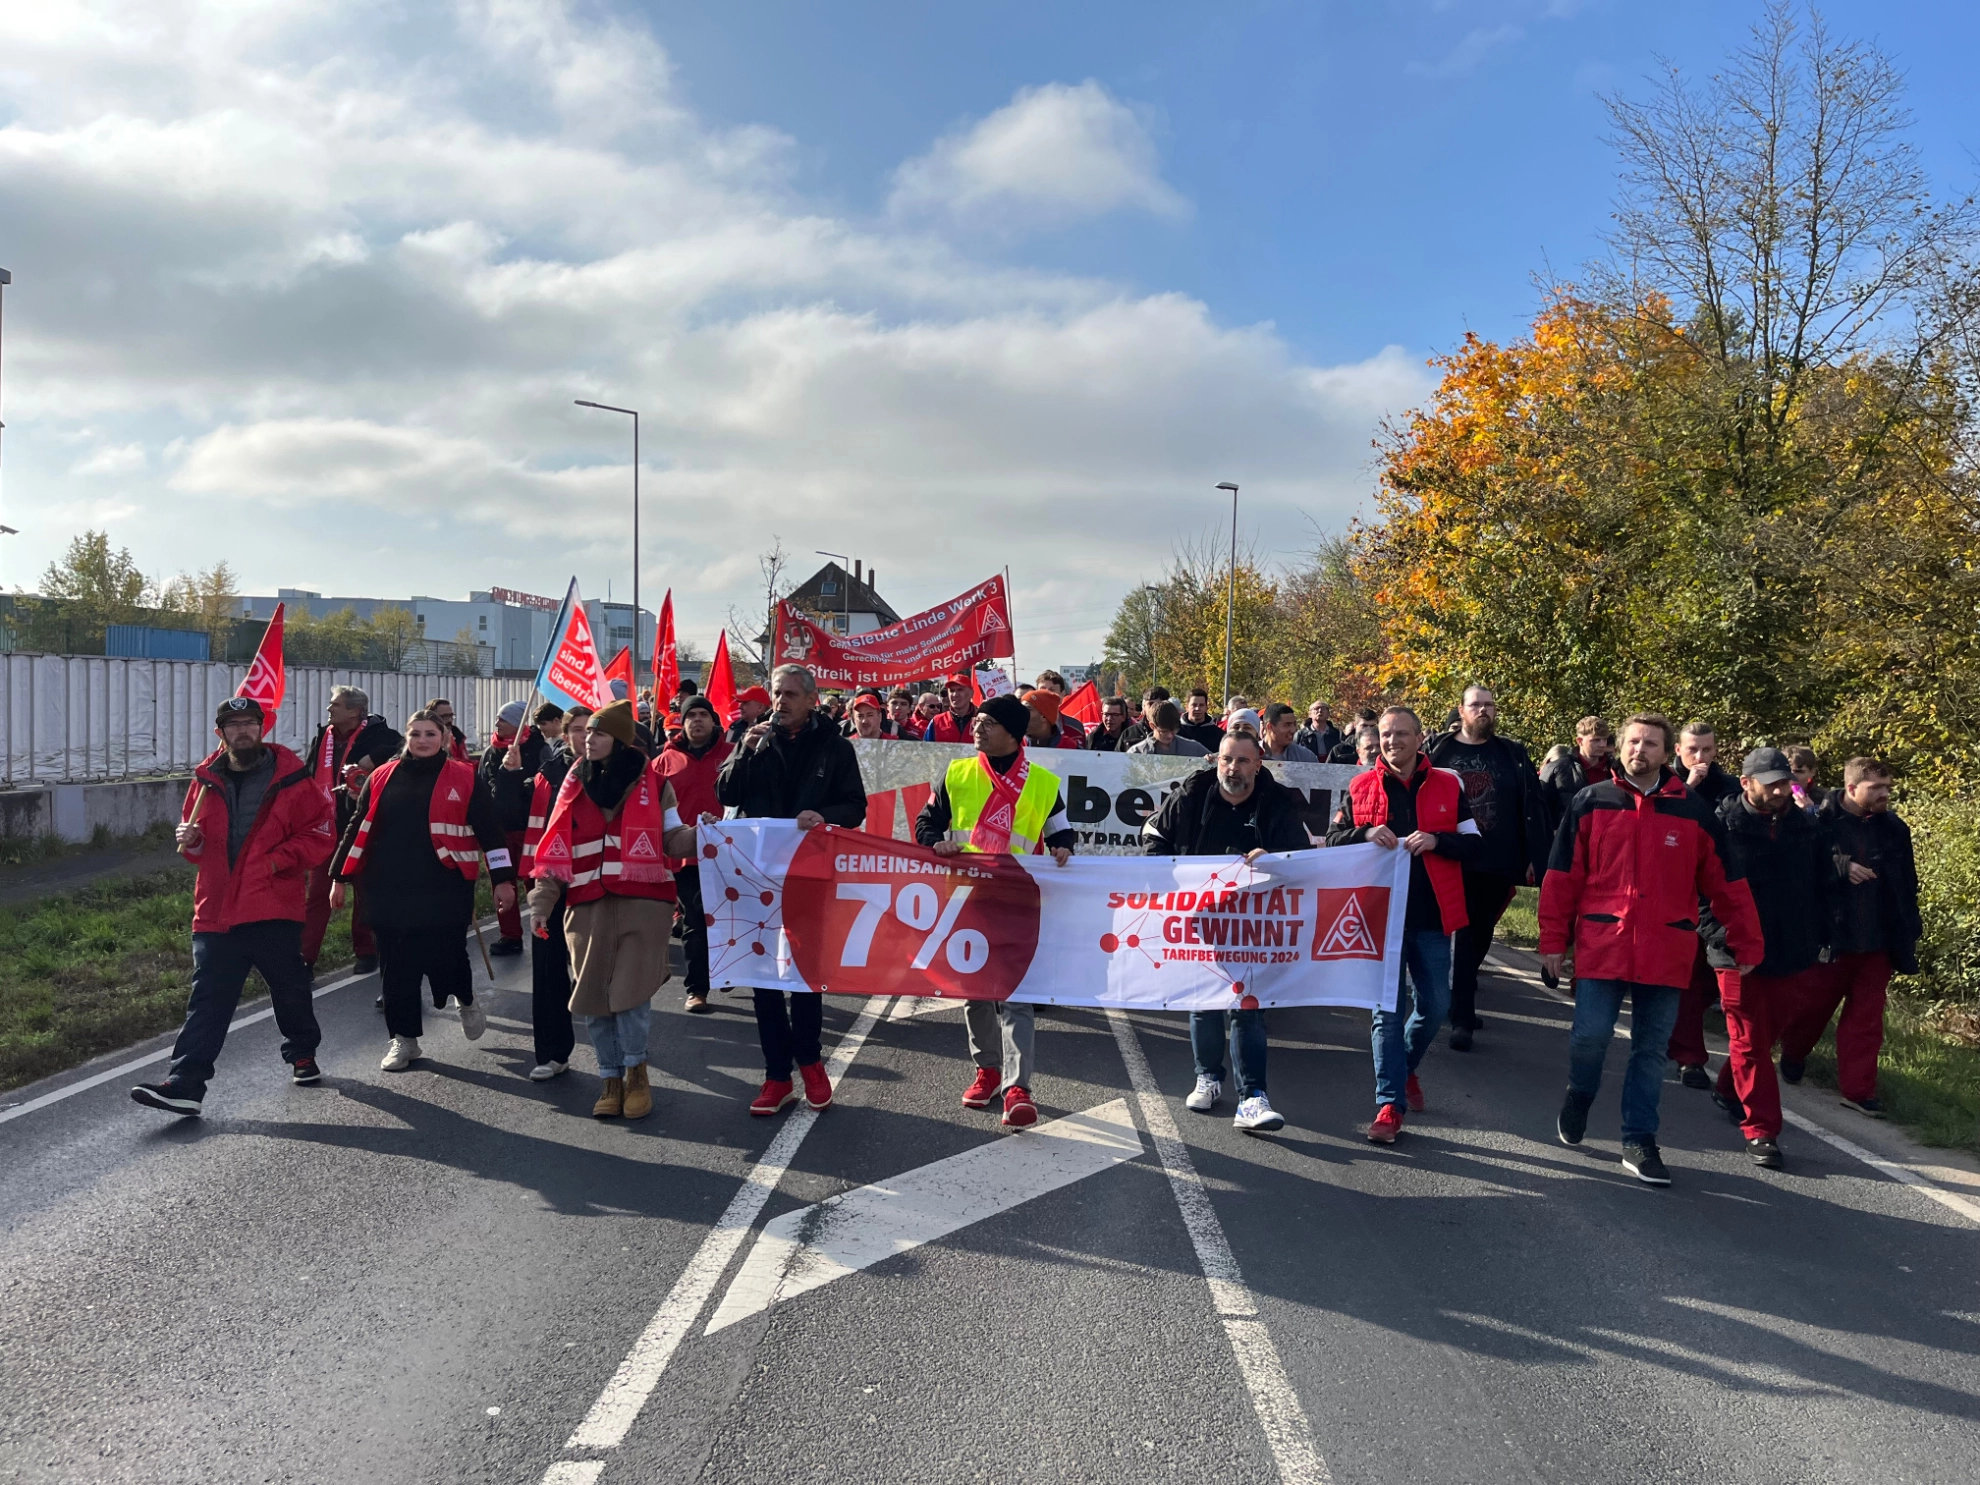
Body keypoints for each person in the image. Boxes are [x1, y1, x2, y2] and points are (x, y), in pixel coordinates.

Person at [1541, 714, 1761, 1186]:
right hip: (1603, 945)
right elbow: (1562, 877)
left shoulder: (1693, 811)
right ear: (1621, 747)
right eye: (1633, 742)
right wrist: (1553, 941)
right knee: (1589, 1037)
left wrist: (1745, 939)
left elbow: (1728, 884)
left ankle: (1639, 1139)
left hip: (1667, 948)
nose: (1640, 750)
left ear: (1667, 753)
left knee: (1650, 1050)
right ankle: (1580, 1093)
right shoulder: (1590, 801)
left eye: (1652, 744)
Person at [132, 698, 336, 1116]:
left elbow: (320, 833)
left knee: (289, 987)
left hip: (272, 904)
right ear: (220, 732)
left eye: (249, 723)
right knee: (208, 999)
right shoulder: (206, 781)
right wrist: (193, 842)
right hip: (217, 909)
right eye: (233, 725)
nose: (242, 731)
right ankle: (186, 1084)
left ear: (262, 727)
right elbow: (198, 844)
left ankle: (302, 1052)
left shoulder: (292, 778)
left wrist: (277, 861)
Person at [528, 700, 696, 1120]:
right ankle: (609, 1077)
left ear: (620, 740)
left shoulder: (657, 785)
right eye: (587, 733)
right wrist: (542, 903)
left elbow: (673, 838)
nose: (589, 739)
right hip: (585, 907)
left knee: (630, 996)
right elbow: (555, 852)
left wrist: (706, 834)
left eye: (599, 733)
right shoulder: (571, 785)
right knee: (592, 998)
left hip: (645, 904)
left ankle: (635, 1072)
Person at [914, 692, 1074, 1129]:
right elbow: (925, 823)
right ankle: (987, 1069)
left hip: (1020, 900)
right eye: (977, 720)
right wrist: (936, 842)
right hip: (967, 898)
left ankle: (1018, 1087)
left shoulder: (1043, 782)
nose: (977, 728)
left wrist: (1062, 847)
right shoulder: (957, 773)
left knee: (1017, 994)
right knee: (977, 993)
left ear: (1013, 733)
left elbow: (1063, 831)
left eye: (987, 722)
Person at [330, 709, 519, 1072]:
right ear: (406, 736)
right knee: (396, 967)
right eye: (415, 733)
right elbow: (357, 826)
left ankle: (465, 999)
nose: (422, 740)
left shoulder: (464, 777)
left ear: (444, 738)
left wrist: (503, 879)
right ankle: (404, 1040)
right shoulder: (382, 776)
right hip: (387, 888)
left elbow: (490, 832)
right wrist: (339, 876)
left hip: (444, 886)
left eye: (430, 733)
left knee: (447, 956)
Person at [717, 663, 868, 1114]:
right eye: (776, 694)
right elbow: (725, 793)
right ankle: (776, 1075)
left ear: (810, 700)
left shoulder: (835, 747)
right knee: (762, 976)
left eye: (787, 695)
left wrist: (822, 816)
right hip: (757, 875)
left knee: (803, 973)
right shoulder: (753, 740)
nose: (778, 702)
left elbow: (855, 807)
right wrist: (744, 750)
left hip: (809, 874)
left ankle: (810, 1059)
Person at [1328, 706, 1481, 1144]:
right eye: (1386, 735)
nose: (1392, 742)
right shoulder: (1360, 786)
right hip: (1377, 919)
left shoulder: (1449, 785)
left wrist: (1437, 841)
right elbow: (1332, 840)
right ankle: (1389, 1102)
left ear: (1420, 739)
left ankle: (1405, 1066)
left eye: (1400, 734)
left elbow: (1474, 845)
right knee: (1386, 1014)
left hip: (1432, 916)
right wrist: (1363, 834)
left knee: (1436, 1006)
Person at [1142, 731, 1307, 1132]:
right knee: (1204, 1003)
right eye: (1226, 760)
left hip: (1254, 923)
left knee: (1247, 1008)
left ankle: (1253, 1097)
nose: (1233, 768)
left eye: (1242, 761)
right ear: (1216, 761)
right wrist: (1167, 877)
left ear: (1258, 764)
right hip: (1201, 918)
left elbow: (1304, 858)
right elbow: (1153, 837)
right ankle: (1209, 1077)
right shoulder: (1191, 795)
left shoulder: (1279, 802)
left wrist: (1276, 860)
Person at [1699, 747, 1834, 1169]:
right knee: (1750, 1040)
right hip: (1735, 952)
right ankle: (1762, 1131)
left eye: (1784, 782)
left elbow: (1822, 886)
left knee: (1768, 1033)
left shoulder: (1806, 827)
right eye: (1770, 781)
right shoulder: (1721, 826)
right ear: (1746, 783)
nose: (1779, 790)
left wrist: (1823, 937)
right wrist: (1726, 940)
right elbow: (1701, 896)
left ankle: (1727, 1087)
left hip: (1792, 948)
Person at [1778, 758, 1921, 1117]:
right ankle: (1793, 1052)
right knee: (1810, 1009)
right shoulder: (1817, 819)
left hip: (1879, 940)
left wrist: (1908, 930)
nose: (1885, 794)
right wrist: (1841, 867)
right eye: (1877, 788)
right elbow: (1798, 870)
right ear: (1853, 788)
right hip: (1830, 937)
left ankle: (1859, 1091)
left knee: (1867, 1020)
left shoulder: (1894, 829)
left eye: (1888, 787)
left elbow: (1907, 884)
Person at [1426, 684, 1549, 1051]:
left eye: (1489, 706)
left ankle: (1459, 1001)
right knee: (1456, 933)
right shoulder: (1439, 750)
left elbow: (1532, 804)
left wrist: (1534, 855)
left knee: (1478, 936)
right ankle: (1460, 1015)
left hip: (1497, 859)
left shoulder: (1511, 753)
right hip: (1449, 855)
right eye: (1475, 705)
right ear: (1460, 711)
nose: (1483, 711)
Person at [508, 705, 590, 1080]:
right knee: (547, 966)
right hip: (549, 885)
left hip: (599, 885)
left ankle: (624, 1055)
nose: (584, 736)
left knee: (601, 969)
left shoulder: (623, 774)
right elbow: (512, 816)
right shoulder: (548, 773)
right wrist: (508, 778)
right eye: (576, 729)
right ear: (564, 732)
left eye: (593, 729)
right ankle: (552, 1053)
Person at [300, 685, 402, 976]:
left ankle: (366, 951)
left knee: (363, 891)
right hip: (323, 825)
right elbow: (309, 773)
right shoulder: (324, 736)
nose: (329, 709)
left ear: (355, 711)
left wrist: (375, 756)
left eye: (335, 705)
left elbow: (405, 749)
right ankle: (305, 958)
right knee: (317, 893)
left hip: (361, 826)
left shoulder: (380, 735)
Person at [1667, 719, 1744, 1087]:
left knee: (1716, 981)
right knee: (1688, 978)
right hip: (1678, 893)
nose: (1700, 757)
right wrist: (1689, 787)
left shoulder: (1730, 788)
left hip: (1718, 893)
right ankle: (1688, 1057)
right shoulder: (1666, 784)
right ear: (1678, 750)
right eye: (1692, 749)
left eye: (1707, 750)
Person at [656, 695, 733, 1015]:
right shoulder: (663, 761)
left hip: (731, 853)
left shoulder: (733, 754)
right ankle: (696, 989)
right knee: (696, 921)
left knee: (730, 920)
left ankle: (728, 969)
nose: (697, 720)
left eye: (704, 714)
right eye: (691, 715)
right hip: (686, 856)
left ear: (714, 721)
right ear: (682, 722)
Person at [477, 699, 534, 957]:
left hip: (529, 829)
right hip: (498, 831)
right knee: (502, 883)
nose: (497, 723)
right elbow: (481, 783)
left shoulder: (537, 747)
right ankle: (509, 935)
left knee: (535, 884)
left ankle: (544, 930)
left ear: (518, 722)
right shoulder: (490, 752)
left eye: (504, 719)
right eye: (498, 718)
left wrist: (518, 776)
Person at [1539, 716, 1613, 835]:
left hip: (1608, 838)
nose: (1602, 744)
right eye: (1596, 740)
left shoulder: (1616, 770)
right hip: (1569, 839)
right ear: (1579, 741)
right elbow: (1539, 809)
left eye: (1605, 739)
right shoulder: (1557, 769)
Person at [1127, 699, 1208, 757]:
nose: (1170, 736)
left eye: (1174, 730)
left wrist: (1210, 759)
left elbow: (1216, 761)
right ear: (1152, 726)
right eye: (1164, 731)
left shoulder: (1193, 749)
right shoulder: (1136, 753)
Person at [1033, 670, 1088, 746]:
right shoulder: (1026, 728)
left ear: (1062, 694)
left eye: (1052, 690)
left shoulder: (1076, 728)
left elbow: (1083, 756)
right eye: (1042, 689)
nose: (1046, 694)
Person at [925, 674, 978, 745]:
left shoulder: (983, 720)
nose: (955, 694)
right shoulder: (937, 721)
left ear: (972, 693)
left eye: (960, 690)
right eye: (952, 691)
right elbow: (925, 751)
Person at [1118, 685, 1171, 751]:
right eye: (1151, 704)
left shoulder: (1178, 733)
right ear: (1143, 707)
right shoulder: (1129, 734)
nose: (1154, 708)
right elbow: (1117, 759)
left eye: (1160, 704)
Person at [1177, 687, 1227, 752]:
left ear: (1206, 707)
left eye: (1201, 705)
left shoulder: (1218, 735)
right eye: (1194, 705)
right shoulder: (1176, 731)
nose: (1197, 708)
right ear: (1187, 707)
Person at [426, 697, 472, 762]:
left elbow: (465, 762)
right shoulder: (425, 742)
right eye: (444, 716)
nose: (450, 720)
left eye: (451, 715)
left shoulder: (458, 737)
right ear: (431, 719)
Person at [1786, 746, 1827, 814]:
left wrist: (1812, 810)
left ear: (1812, 772)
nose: (1792, 776)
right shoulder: (1775, 797)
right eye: (1787, 771)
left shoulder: (1824, 799)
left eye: (1798, 771)